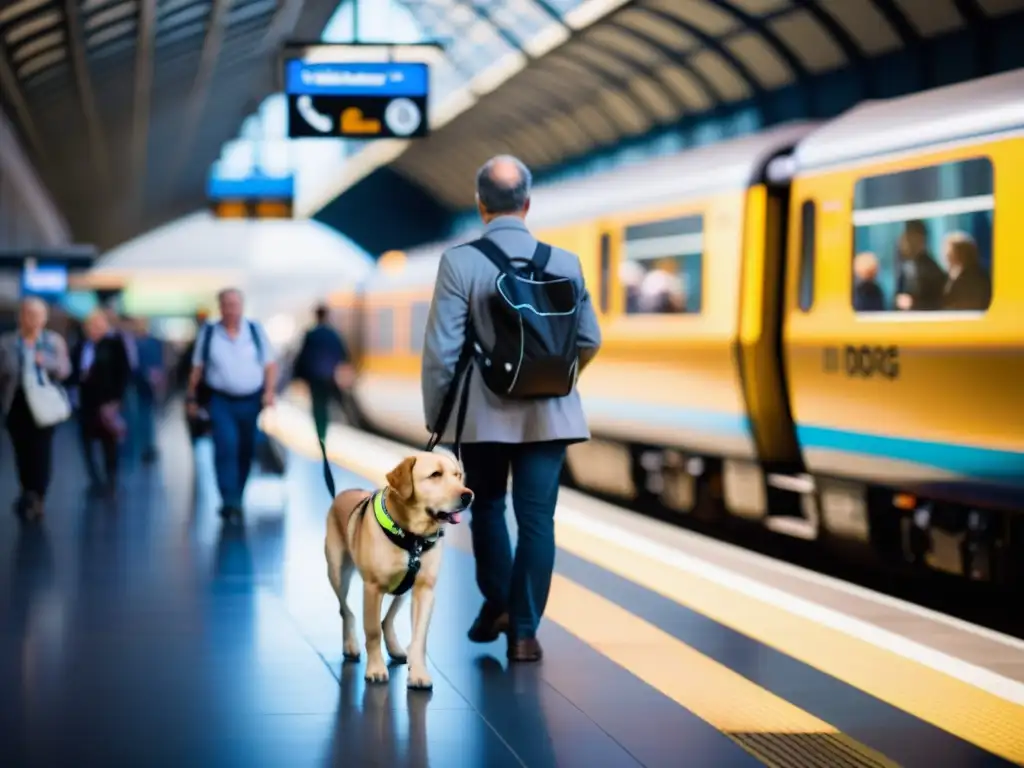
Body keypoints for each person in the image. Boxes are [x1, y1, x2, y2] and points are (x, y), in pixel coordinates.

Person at [421, 155, 602, 662]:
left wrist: (437, 416)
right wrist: (555, 380)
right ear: (527, 203)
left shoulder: (460, 262)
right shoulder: (565, 263)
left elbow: (442, 351)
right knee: (538, 520)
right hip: (552, 415)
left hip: (483, 417)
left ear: (481, 205)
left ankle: (497, 603)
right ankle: (524, 632)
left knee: (488, 510)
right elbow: (590, 339)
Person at [186, 288, 276, 524]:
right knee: (226, 445)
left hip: (251, 400)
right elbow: (197, 369)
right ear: (220, 307)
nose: (231, 309)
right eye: (227, 304)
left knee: (246, 447)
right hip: (220, 399)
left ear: (242, 306)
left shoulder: (255, 331)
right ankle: (228, 499)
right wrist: (191, 398)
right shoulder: (209, 334)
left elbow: (270, 365)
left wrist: (269, 392)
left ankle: (238, 493)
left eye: (235, 304)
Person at [0, 298, 71, 521]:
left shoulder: (53, 341)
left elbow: (65, 370)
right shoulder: (8, 342)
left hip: (44, 403)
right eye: (27, 313)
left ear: (44, 318)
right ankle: (27, 489)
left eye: (36, 314)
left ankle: (37, 495)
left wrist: (47, 362)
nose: (31, 318)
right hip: (17, 402)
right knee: (22, 451)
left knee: (41, 450)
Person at [70, 310, 131, 496]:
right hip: (85, 401)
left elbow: (124, 372)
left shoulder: (114, 344)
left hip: (106, 401)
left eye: (97, 325)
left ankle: (110, 476)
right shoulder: (81, 346)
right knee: (86, 440)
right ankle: (94, 477)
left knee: (108, 440)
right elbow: (71, 372)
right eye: (90, 325)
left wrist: (117, 399)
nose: (93, 329)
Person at [292, 304, 353, 442]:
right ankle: (333, 430)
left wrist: (298, 375)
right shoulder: (334, 334)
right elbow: (343, 354)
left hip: (314, 378)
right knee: (332, 404)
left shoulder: (310, 334)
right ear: (326, 316)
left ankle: (321, 433)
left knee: (318, 406)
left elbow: (303, 356)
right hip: (330, 377)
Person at [132, 317, 166, 462]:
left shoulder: (151, 343)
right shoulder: (135, 342)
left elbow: (158, 362)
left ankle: (148, 446)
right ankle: (143, 447)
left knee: (147, 415)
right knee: (142, 416)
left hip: (149, 385)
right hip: (138, 383)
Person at [894, 220, 946, 311]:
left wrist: (914, 303)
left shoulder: (933, 270)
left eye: (908, 238)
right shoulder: (903, 266)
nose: (902, 242)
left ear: (921, 240)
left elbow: (938, 303)